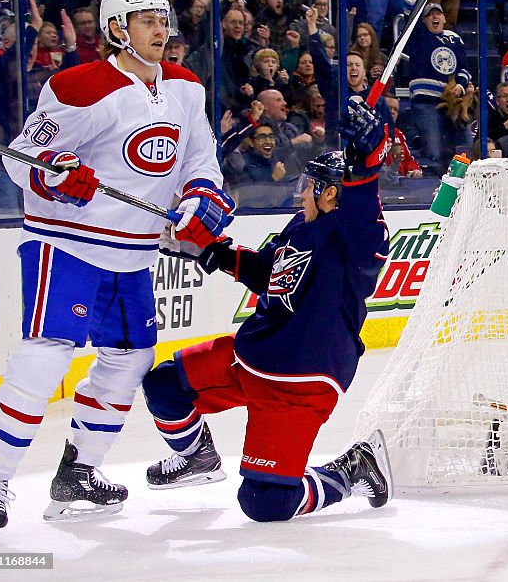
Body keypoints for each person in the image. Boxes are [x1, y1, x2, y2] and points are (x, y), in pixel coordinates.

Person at [0, 0, 232, 544]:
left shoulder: (185, 88)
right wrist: (58, 172)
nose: (161, 31)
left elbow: (199, 160)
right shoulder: (79, 86)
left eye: (163, 20)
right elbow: (25, 159)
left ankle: (78, 474)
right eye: (146, 22)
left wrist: (199, 200)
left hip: (133, 252)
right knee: (45, 357)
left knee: (130, 359)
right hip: (66, 242)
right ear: (117, 29)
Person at [139, 100, 392, 523]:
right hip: (252, 359)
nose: (301, 192)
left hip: (298, 384)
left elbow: (365, 210)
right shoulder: (301, 225)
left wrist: (366, 164)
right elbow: (268, 274)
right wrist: (211, 250)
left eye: (309, 185)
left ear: (331, 192)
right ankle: (197, 458)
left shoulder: (356, 238)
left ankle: (352, 470)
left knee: (265, 502)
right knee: (164, 386)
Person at [405, 3, 471, 172]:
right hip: (426, 102)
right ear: (423, 20)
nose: (435, 17)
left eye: (438, 14)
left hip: (452, 103)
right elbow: (410, 16)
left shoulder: (453, 38)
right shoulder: (418, 36)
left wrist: (461, 87)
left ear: (444, 18)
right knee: (434, 153)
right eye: (430, 15)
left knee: (465, 150)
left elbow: (464, 67)